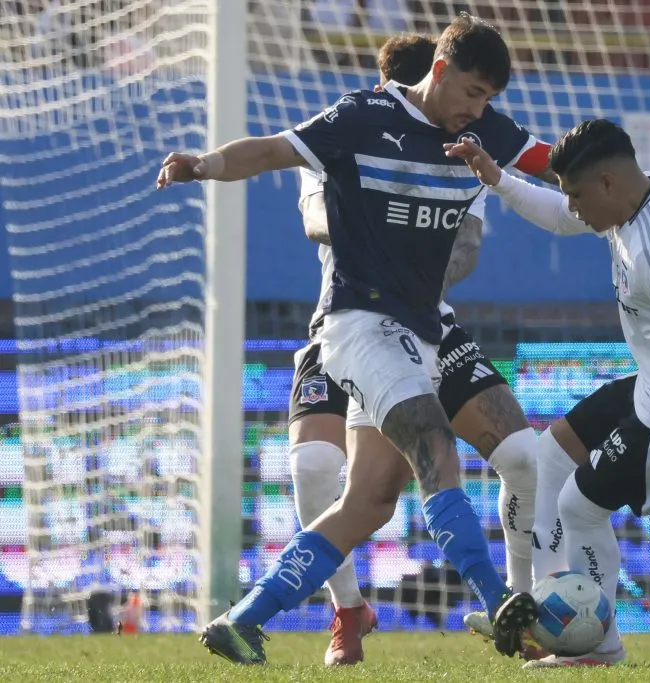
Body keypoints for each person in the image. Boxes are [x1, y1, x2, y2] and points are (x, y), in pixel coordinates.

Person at [157, 13, 543, 663]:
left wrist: (645, 195)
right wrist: (205, 163)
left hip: (420, 333)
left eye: (488, 99)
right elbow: (273, 150)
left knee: (368, 501)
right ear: (440, 70)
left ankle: (243, 619)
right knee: (433, 446)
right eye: (473, 92)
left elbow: (552, 162)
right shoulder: (361, 117)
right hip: (358, 326)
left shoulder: (481, 133)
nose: (478, 109)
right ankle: (499, 596)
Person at [444, 119, 650, 667]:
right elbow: (560, 216)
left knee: (580, 508)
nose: (573, 208)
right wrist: (498, 179)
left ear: (608, 182)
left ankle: (597, 645)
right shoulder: (639, 197)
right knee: (549, 456)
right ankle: (540, 612)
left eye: (577, 195)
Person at [289, 33, 538, 666]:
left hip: (427, 326)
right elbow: (315, 220)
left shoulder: (461, 146)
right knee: (314, 468)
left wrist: (411, 282)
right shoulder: (344, 130)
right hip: (343, 322)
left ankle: (520, 603)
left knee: (522, 456)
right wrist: (379, 227)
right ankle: (348, 608)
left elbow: (467, 248)